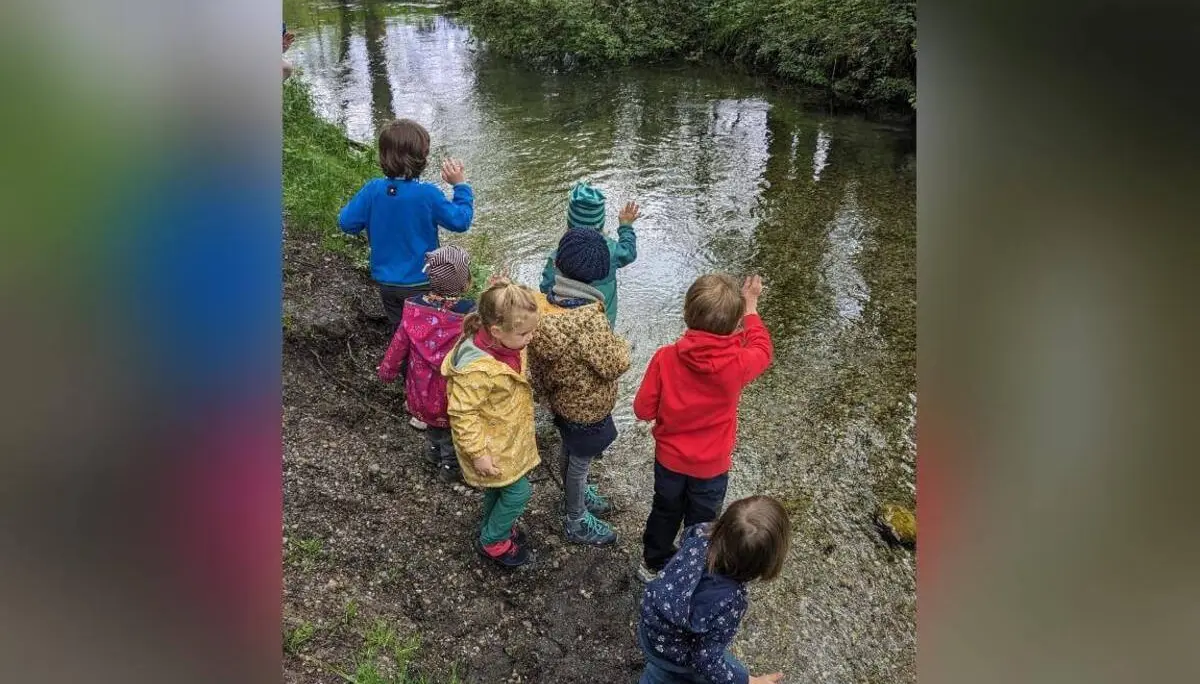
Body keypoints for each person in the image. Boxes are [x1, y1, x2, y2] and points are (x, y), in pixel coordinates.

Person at [634, 274, 773, 581]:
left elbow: (642, 410)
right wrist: (751, 305)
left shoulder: (665, 358)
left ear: (687, 313)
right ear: (734, 325)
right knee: (703, 523)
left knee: (664, 511)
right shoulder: (738, 363)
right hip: (711, 468)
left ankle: (652, 563)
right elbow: (763, 348)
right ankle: (691, 571)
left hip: (669, 461)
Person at [528, 229, 631, 546]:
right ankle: (575, 519)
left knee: (570, 451)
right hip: (587, 408)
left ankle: (575, 491)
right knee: (580, 460)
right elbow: (614, 364)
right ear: (599, 276)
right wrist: (624, 345)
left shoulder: (542, 310)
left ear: (558, 263)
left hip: (561, 401)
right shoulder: (590, 321)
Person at [338, 119, 473, 332]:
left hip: (387, 283)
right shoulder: (427, 194)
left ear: (383, 156)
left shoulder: (373, 190)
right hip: (423, 281)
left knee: (400, 331)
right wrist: (461, 186)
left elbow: (346, 223)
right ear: (421, 159)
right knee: (425, 332)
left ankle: (400, 361)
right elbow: (461, 221)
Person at [637, 496, 789, 684]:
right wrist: (748, 681)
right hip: (673, 654)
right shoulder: (731, 601)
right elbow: (705, 660)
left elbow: (686, 537)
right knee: (671, 675)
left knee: (658, 668)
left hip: (649, 625)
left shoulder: (701, 532)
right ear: (766, 563)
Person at [442, 281, 542, 567]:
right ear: (496, 331)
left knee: (498, 488)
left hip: (504, 436)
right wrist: (478, 454)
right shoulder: (477, 370)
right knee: (519, 491)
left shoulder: (503, 344)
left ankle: (493, 524)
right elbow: (462, 414)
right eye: (525, 333)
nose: (531, 338)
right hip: (490, 446)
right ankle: (494, 541)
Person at [377, 245, 476, 482]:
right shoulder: (470, 316)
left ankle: (432, 454)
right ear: (464, 283)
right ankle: (450, 469)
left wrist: (387, 371)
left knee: (433, 424)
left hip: (421, 388)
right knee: (452, 431)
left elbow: (398, 344)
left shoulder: (413, 309)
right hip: (452, 389)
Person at [540, 182, 639, 329]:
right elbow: (629, 252)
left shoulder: (559, 256)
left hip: (567, 322)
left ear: (569, 224)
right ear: (600, 224)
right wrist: (625, 226)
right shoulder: (610, 250)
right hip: (604, 321)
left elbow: (545, 288)